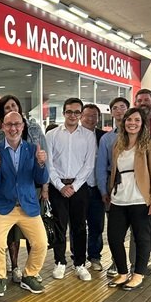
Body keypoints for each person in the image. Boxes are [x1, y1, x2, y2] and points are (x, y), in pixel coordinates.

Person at [0, 111, 49, 297]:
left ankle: (29, 275)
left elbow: (41, 179)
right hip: (2, 206)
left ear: (23, 126)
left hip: (27, 205)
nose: (13, 128)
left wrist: (41, 164)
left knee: (41, 243)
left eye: (17, 124)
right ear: (3, 127)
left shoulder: (32, 149)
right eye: (9, 124)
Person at [106, 108, 151, 291]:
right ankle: (122, 273)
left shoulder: (150, 145)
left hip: (140, 200)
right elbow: (114, 172)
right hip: (118, 200)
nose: (132, 123)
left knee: (141, 239)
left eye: (137, 120)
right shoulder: (118, 145)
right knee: (114, 238)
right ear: (124, 123)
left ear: (143, 124)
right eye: (129, 119)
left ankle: (138, 274)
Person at [45, 98, 96, 282]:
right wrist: (60, 185)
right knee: (59, 225)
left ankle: (80, 264)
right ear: (63, 113)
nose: (72, 115)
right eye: (69, 112)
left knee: (80, 226)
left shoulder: (88, 136)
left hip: (79, 187)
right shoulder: (52, 135)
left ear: (81, 114)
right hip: (57, 187)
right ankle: (60, 262)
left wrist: (73, 187)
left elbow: (89, 165)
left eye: (76, 112)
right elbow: (49, 164)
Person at [95, 97, 130, 277]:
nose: (119, 111)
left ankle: (138, 264)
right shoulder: (107, 138)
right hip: (114, 185)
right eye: (114, 108)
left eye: (122, 107)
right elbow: (101, 166)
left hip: (136, 188)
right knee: (116, 229)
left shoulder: (140, 135)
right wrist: (103, 190)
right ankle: (118, 262)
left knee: (138, 229)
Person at [79, 103, 106, 272]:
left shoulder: (104, 137)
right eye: (87, 115)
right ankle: (78, 257)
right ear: (81, 117)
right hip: (79, 187)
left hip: (97, 187)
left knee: (97, 224)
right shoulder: (75, 136)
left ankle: (95, 256)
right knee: (78, 224)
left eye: (94, 116)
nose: (90, 119)